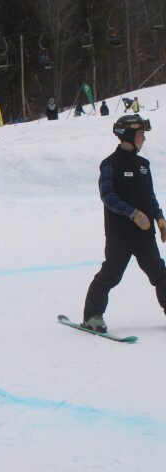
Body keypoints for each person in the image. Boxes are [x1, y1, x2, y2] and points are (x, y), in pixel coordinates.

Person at [81, 114, 166, 332]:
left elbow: (150, 196)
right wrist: (134, 214)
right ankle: (93, 316)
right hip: (121, 234)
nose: (144, 139)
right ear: (128, 135)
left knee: (160, 272)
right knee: (111, 274)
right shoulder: (110, 164)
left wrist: (159, 218)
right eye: (140, 134)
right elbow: (108, 196)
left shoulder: (143, 165)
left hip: (145, 235)